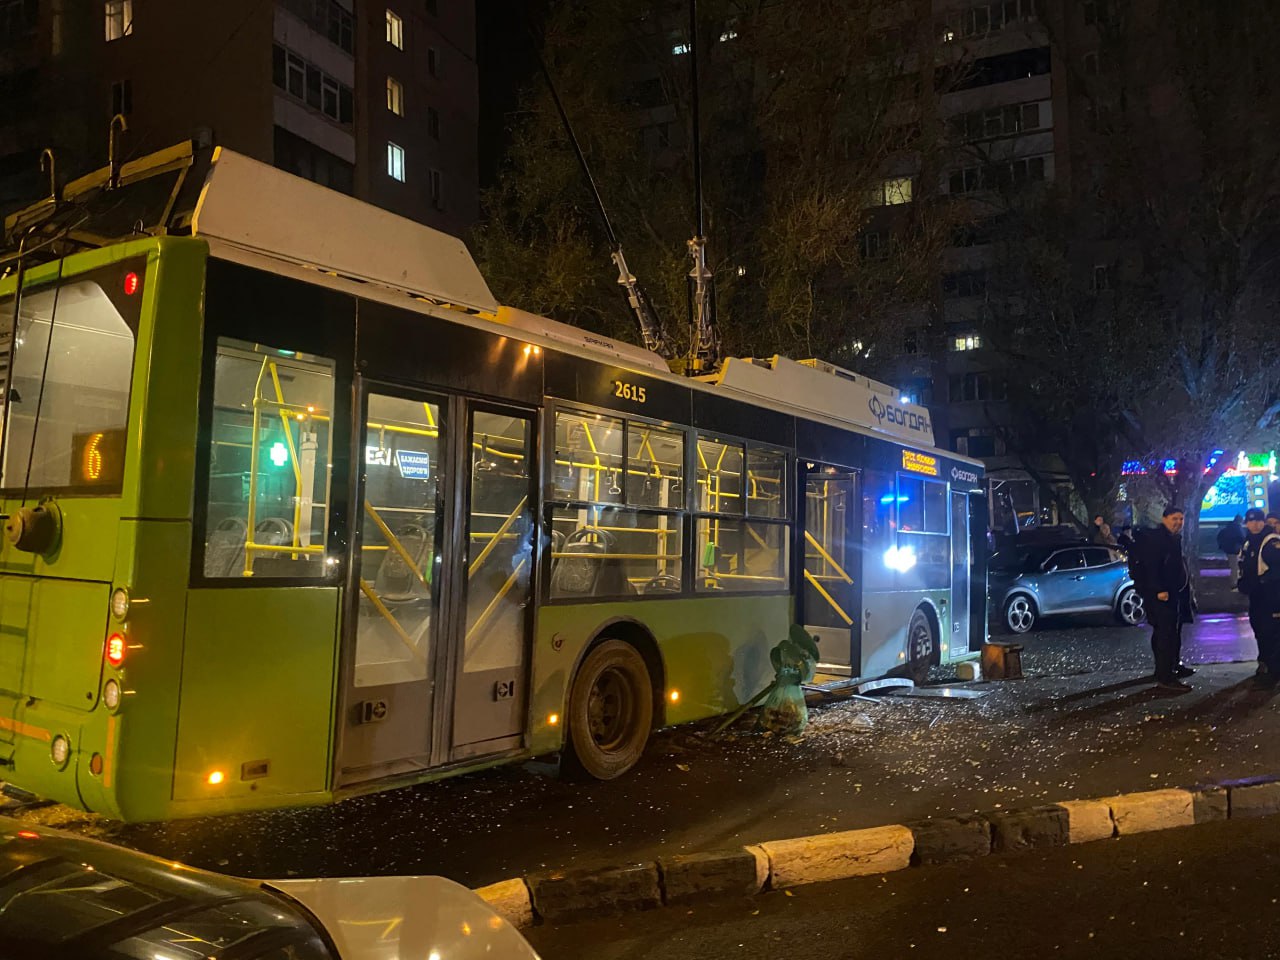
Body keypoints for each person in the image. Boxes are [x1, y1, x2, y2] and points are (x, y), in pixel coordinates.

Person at [1133, 506, 1196, 692]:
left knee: (1172, 631)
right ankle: (1165, 676)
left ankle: (1172, 666)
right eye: (1174, 519)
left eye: (1181, 519)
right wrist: (1158, 589)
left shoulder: (1172, 538)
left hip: (1174, 592)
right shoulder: (1157, 540)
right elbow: (1152, 567)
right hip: (1162, 594)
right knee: (1165, 634)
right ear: (1164, 519)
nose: (1178, 523)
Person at [1238, 507, 1280, 688]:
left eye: (1258, 521)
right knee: (1260, 631)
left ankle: (1273, 673)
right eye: (1251, 521)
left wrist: (1261, 582)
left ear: (1263, 522)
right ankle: (1265, 665)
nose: (1255, 524)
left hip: (1271, 597)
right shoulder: (1248, 542)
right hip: (1257, 597)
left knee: (1272, 634)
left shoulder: (1271, 542)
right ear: (1246, 523)